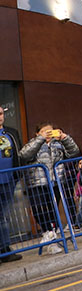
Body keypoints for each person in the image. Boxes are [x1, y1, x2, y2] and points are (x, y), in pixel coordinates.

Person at [19, 123, 79, 244]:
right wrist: (40, 139)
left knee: (53, 209)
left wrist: (65, 138)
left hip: (55, 182)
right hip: (37, 182)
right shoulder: (33, 144)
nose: (48, 134)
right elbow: (24, 155)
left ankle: (52, 234)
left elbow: (74, 152)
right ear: (37, 133)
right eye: (44, 131)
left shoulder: (58, 144)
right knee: (38, 208)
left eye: (50, 131)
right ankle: (47, 231)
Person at [0, 106, 23, 262]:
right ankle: (4, 249)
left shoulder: (11, 132)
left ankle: (5, 248)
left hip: (9, 180)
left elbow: (19, 153)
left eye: (1, 113)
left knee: (4, 216)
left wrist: (18, 174)